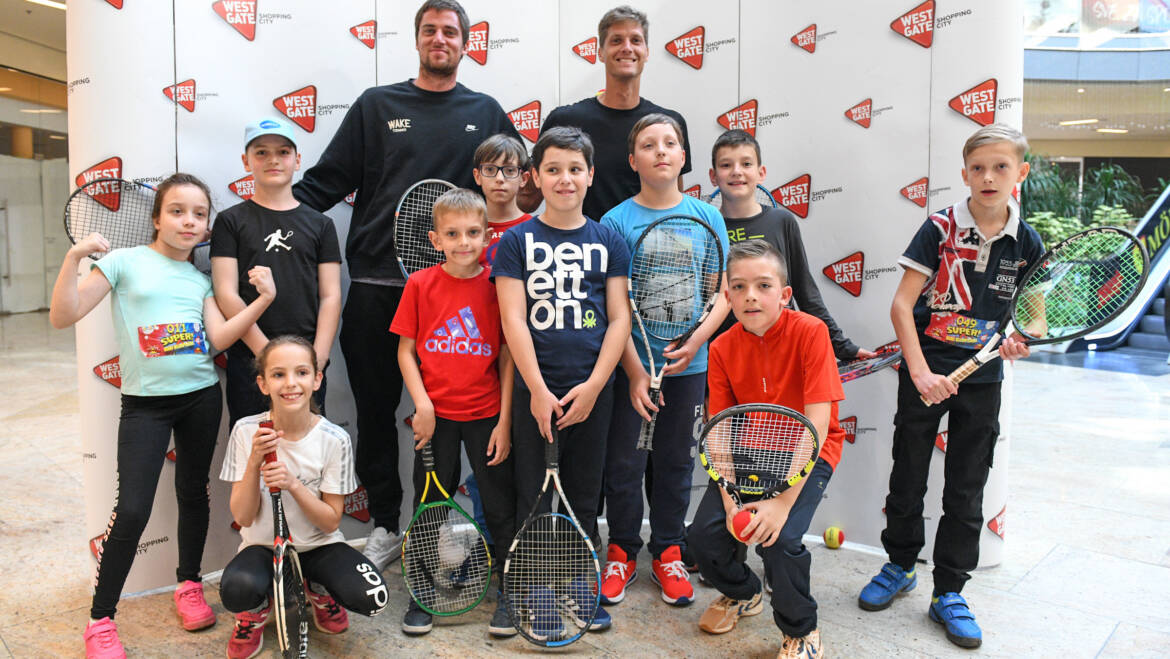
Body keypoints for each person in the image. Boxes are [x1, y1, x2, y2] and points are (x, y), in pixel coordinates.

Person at [291, 0, 522, 572]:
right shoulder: (377, 105)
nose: (439, 39)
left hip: (461, 291)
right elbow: (325, 184)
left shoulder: (485, 110)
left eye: (450, 31)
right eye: (429, 30)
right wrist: (261, 224)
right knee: (374, 415)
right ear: (417, 40)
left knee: (458, 419)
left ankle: (442, 527)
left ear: (467, 43)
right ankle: (389, 525)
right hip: (376, 287)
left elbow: (526, 182)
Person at [49, 173, 276, 659]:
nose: (188, 221)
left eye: (198, 213)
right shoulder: (122, 263)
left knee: (193, 494)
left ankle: (189, 585)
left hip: (200, 397)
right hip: (144, 407)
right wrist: (72, 259)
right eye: (177, 211)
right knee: (131, 509)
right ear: (156, 218)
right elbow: (63, 316)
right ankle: (101, 620)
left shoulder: (200, 280)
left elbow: (218, 339)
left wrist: (263, 300)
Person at [857, 123, 1041, 650]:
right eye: (978, 168)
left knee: (967, 484)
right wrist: (918, 372)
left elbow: (1034, 321)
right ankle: (898, 565)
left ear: (1020, 174)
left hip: (982, 378)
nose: (989, 177)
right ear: (964, 174)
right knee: (908, 473)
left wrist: (1018, 342)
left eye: (1001, 167)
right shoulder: (937, 228)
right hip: (926, 368)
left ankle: (950, 591)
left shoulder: (1027, 241)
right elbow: (899, 306)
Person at [492, 126, 632, 633]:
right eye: (553, 169)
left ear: (591, 175)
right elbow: (513, 321)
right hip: (538, 393)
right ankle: (523, 588)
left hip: (593, 393)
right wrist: (535, 389)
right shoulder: (515, 241)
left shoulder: (609, 239)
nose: (565, 178)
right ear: (535, 177)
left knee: (583, 495)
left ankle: (579, 583)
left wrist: (594, 386)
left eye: (575, 169)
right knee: (531, 494)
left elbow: (619, 319)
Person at [689, 239, 845, 659]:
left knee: (781, 540)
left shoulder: (811, 332)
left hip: (808, 451)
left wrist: (781, 500)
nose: (750, 296)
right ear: (727, 296)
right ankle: (743, 593)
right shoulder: (721, 347)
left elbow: (817, 423)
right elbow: (719, 430)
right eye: (738, 287)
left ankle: (802, 629)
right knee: (703, 536)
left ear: (785, 294)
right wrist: (728, 499)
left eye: (763, 285)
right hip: (750, 452)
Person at [598, 114, 729, 608]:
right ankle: (622, 551)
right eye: (648, 145)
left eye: (670, 143)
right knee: (625, 464)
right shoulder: (615, 221)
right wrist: (633, 369)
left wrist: (695, 343)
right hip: (630, 367)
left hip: (688, 369)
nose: (660, 151)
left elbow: (720, 294)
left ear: (683, 156)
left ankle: (670, 551)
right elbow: (614, 307)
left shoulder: (708, 216)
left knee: (675, 463)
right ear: (633, 161)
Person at [390, 188, 516, 637]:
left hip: (486, 417)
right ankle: (422, 593)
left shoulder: (498, 285)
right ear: (434, 239)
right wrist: (422, 404)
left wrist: (504, 420)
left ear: (487, 235)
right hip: (435, 419)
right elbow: (406, 352)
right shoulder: (420, 284)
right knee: (429, 506)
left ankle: (510, 592)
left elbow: (506, 355)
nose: (464, 242)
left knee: (500, 507)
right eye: (453, 233)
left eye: (473, 233)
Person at [219, 336, 388, 659]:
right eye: (278, 374)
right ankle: (255, 610)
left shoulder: (334, 439)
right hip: (263, 548)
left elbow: (330, 520)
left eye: (301, 373)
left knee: (373, 597)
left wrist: (294, 485)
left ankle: (318, 590)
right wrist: (255, 461)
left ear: (316, 379)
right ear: (263, 383)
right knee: (237, 590)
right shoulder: (245, 431)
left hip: (319, 546)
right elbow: (242, 517)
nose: (291, 384)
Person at [211, 117, 342, 429]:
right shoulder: (230, 222)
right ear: (246, 161)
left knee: (307, 456)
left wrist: (316, 360)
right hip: (251, 363)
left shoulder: (321, 224)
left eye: (283, 152)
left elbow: (331, 295)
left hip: (305, 363)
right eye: (261, 153)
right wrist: (268, 356)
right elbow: (226, 293)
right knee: (252, 454)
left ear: (297, 160)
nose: (273, 160)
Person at [708, 129, 872, 360]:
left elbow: (805, 291)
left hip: (782, 351)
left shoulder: (781, 221)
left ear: (761, 172)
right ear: (713, 176)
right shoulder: (706, 229)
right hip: (728, 357)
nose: (737, 172)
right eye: (726, 165)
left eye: (746, 164)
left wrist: (842, 347)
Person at [536, 5, 692, 221]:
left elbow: (675, 202)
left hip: (645, 252)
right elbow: (528, 199)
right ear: (600, 52)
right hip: (582, 251)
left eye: (636, 40)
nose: (627, 48)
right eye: (616, 40)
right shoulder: (564, 120)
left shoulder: (669, 124)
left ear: (646, 51)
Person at [472, 134, 532, 266]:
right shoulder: (467, 229)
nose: (499, 178)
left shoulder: (536, 229)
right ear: (477, 176)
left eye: (509, 170)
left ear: (523, 179)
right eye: (490, 169)